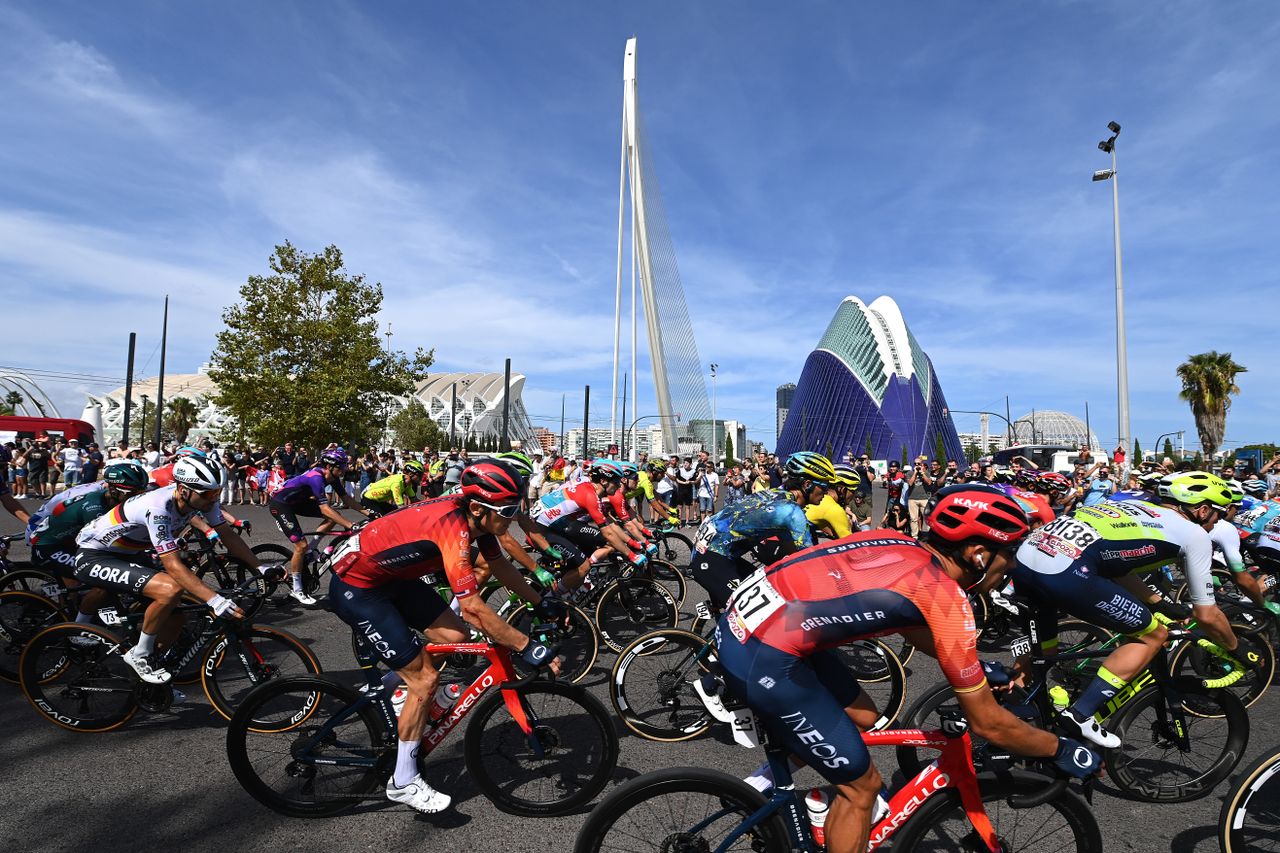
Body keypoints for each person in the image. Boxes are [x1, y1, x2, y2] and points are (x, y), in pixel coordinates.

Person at [715, 484, 1099, 852]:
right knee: (862, 788)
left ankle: (780, 791)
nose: (1012, 566)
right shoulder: (944, 597)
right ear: (979, 553)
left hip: (753, 628)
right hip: (767, 655)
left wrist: (976, 667)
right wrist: (1060, 748)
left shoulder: (900, 542)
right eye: (1010, 553)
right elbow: (988, 724)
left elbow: (912, 627)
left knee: (865, 717)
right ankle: (795, 793)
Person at [326, 461, 564, 813]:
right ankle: (403, 780)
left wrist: (540, 602)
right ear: (478, 508)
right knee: (425, 678)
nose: (515, 518)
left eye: (519, 508)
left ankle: (396, 691)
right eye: (509, 510)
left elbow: (499, 567)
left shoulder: (479, 522)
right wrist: (526, 645)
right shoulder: (454, 530)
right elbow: (472, 607)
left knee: (455, 636)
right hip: (357, 587)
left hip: (391, 578)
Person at [1008, 471, 1254, 749]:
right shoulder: (1195, 534)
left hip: (1027, 558)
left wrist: (1159, 603)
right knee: (1153, 635)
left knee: (1044, 657)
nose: (1217, 524)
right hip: (1064, 569)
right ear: (1203, 509)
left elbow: (1119, 567)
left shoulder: (1137, 506)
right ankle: (1081, 715)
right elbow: (1206, 615)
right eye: (1218, 516)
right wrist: (1237, 648)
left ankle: (1011, 709)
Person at [73, 456, 280, 684]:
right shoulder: (158, 507)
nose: (213, 499)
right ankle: (139, 655)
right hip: (95, 555)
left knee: (178, 616)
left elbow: (227, 534)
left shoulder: (200, 499)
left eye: (217, 493)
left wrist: (260, 567)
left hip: (130, 554)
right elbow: (172, 566)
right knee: (170, 589)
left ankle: (153, 677)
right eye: (207, 494)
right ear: (183, 490)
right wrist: (217, 601)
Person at [689, 451, 836, 610]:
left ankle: (713, 617)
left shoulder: (775, 494)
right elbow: (810, 560)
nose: (827, 492)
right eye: (825, 486)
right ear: (807, 484)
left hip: (710, 548)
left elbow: (791, 550)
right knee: (760, 613)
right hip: (712, 557)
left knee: (767, 591)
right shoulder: (793, 512)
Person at [268, 447, 368, 606]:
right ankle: (297, 589)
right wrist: (351, 525)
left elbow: (347, 499)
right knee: (300, 545)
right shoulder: (316, 477)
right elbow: (323, 508)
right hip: (281, 505)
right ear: (329, 466)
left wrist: (369, 513)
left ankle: (311, 551)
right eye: (341, 466)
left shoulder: (332, 477)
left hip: (297, 502)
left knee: (331, 518)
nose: (343, 470)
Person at [805, 462, 856, 541]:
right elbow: (850, 543)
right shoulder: (834, 509)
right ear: (842, 489)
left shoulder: (816, 500)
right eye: (853, 490)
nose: (854, 495)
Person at [904, 457, 933, 536]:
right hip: (912, 498)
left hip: (924, 498)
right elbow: (910, 483)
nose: (917, 465)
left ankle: (930, 535)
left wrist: (922, 473)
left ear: (922, 464)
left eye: (919, 464)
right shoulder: (910, 473)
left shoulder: (926, 472)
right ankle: (914, 535)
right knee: (913, 519)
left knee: (927, 517)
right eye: (915, 464)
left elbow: (929, 482)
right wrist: (915, 473)